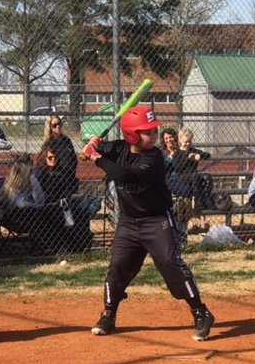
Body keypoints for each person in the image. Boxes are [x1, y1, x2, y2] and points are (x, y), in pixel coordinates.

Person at [81, 106, 215, 341]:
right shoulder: (118, 148)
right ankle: (108, 314)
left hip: (157, 219)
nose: (154, 135)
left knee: (169, 262)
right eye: (147, 132)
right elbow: (89, 152)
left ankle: (200, 312)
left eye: (154, 130)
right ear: (131, 135)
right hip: (129, 221)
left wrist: (96, 156)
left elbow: (127, 176)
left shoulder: (153, 158)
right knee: (117, 267)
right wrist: (91, 145)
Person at [172, 128, 213, 231]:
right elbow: (177, 168)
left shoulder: (193, 151)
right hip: (182, 176)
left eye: (189, 141)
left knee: (207, 177)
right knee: (195, 177)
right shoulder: (177, 153)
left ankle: (204, 201)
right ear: (180, 141)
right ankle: (198, 208)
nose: (187, 144)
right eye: (186, 142)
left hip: (194, 176)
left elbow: (207, 155)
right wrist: (187, 158)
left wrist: (200, 155)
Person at [43, 114, 78, 196]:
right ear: (50, 127)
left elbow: (73, 158)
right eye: (54, 125)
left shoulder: (66, 140)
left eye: (59, 124)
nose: (58, 127)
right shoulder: (49, 143)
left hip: (70, 176)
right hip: (58, 179)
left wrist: (72, 172)